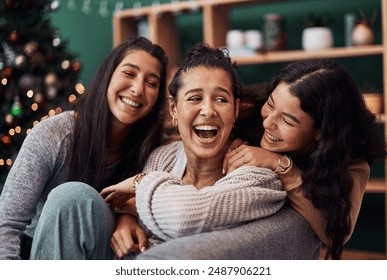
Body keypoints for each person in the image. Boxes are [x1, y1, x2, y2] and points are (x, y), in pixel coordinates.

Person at [104, 58, 385, 260]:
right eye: (271, 106)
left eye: (287, 120)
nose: (269, 123)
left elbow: (336, 231)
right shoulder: (247, 112)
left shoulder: (350, 161)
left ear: (321, 134)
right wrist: (129, 212)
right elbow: (183, 143)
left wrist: (280, 166)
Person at [0, 35, 168, 260]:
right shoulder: (56, 134)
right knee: (73, 197)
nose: (138, 89)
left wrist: (127, 214)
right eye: (129, 73)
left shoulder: (155, 151)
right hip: (39, 255)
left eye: (151, 83)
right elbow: (6, 222)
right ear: (108, 76)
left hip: (103, 256)